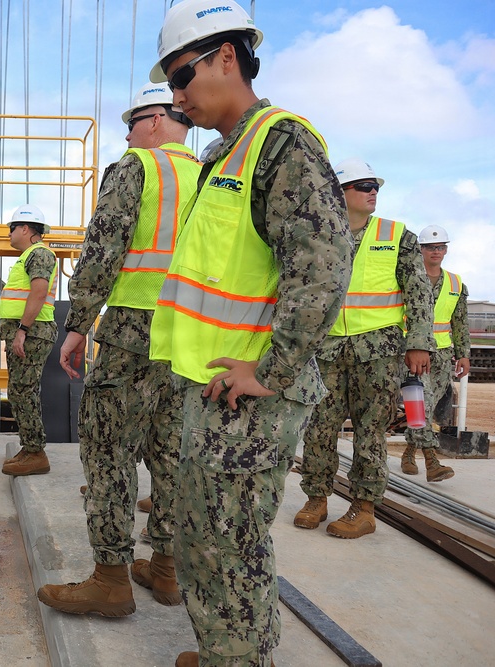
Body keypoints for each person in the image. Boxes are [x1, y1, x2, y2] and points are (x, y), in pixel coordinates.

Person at [146, 1, 352, 665]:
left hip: (251, 391)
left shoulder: (282, 144)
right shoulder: (224, 154)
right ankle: (226, 650)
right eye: (172, 84)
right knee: (207, 533)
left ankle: (238, 657)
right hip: (216, 386)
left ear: (227, 57)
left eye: (183, 76)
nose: (177, 96)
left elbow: (320, 272)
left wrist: (270, 371)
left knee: (228, 543)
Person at [36, 81, 201, 616]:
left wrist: (79, 323)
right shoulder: (210, 176)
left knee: (109, 453)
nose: (127, 135)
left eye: (131, 124)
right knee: (172, 453)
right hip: (192, 334)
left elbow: (104, 248)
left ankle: (111, 580)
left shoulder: (138, 167)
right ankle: (166, 571)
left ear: (154, 120)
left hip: (133, 330)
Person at [295, 158, 434, 538]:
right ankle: (317, 497)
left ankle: (364, 507)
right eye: (364, 186)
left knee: (370, 430)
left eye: (376, 187)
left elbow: (419, 292)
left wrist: (420, 342)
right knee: (319, 428)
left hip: (377, 350)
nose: (373, 192)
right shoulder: (321, 233)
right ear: (340, 192)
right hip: (326, 350)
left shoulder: (396, 235)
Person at [400, 224, 467, 481]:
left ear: (446, 250)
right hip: (415, 354)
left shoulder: (455, 282)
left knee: (423, 410)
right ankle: (431, 461)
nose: (436, 251)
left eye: (440, 247)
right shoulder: (407, 276)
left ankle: (408, 451)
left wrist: (463, 353)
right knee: (422, 404)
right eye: (430, 247)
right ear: (421, 249)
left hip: (441, 354)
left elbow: (460, 321)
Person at [0, 204, 59, 476]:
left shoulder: (40, 254)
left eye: (12, 228)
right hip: (27, 332)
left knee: (24, 391)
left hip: (32, 333)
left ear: (25, 228)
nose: (9, 234)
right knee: (20, 390)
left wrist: (22, 329)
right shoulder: (29, 256)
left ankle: (36, 453)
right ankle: (30, 447)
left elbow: (39, 290)